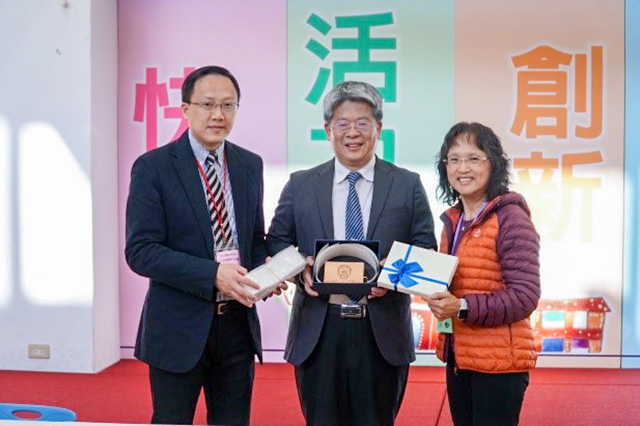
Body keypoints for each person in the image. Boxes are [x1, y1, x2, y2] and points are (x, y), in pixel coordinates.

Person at [266, 81, 437, 426]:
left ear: (379, 128)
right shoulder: (301, 184)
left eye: (362, 123)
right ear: (328, 130)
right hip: (319, 328)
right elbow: (276, 241)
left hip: (381, 329)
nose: (353, 133)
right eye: (342, 124)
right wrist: (300, 268)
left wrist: (394, 274)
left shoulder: (407, 184)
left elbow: (426, 247)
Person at [125, 65, 280, 425]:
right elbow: (141, 251)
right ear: (186, 109)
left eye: (228, 105)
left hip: (237, 327)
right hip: (178, 327)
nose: (218, 115)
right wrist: (213, 274)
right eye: (207, 104)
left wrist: (268, 270)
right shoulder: (153, 167)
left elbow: (252, 238)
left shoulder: (249, 164)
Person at [423, 122, 541, 426]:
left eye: (474, 158)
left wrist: (461, 307)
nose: (463, 168)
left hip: (499, 364)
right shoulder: (453, 220)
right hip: (459, 358)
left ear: (494, 164)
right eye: (454, 159)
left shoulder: (511, 217)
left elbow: (524, 297)